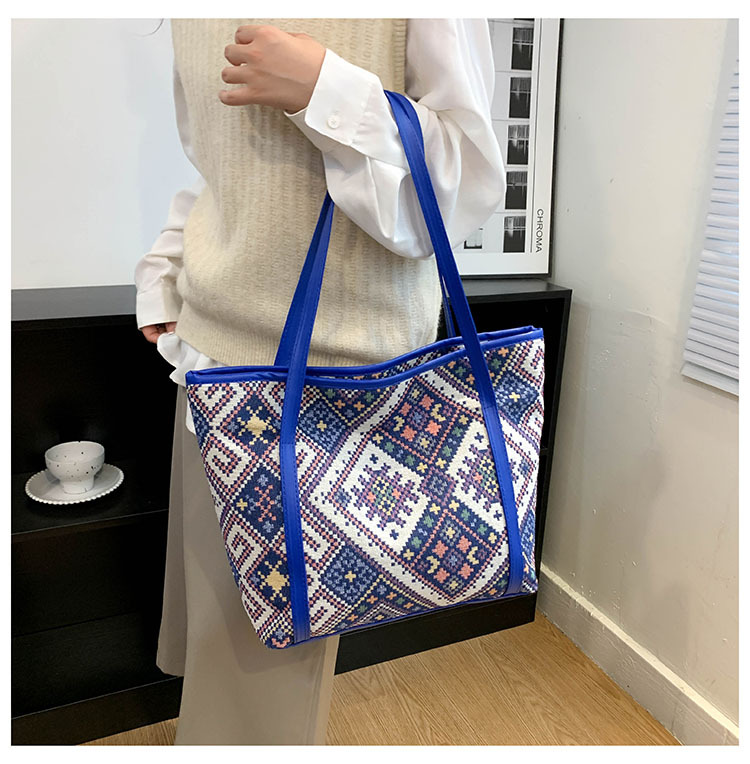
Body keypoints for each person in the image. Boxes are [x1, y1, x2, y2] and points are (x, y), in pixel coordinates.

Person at [134, 18, 504, 745]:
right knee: (218, 636)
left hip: (335, 385)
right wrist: (168, 265)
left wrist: (324, 91)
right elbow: (220, 170)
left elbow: (462, 190)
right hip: (209, 359)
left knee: (261, 683)